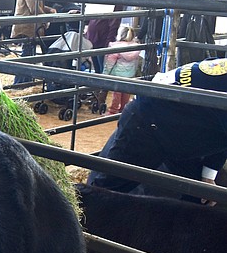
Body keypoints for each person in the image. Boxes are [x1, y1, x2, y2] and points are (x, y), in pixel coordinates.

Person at [87, 57, 227, 205]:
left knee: (198, 194)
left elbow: (221, 132)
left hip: (177, 125)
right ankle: (83, 215)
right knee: (105, 192)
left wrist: (208, 175)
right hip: (149, 121)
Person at [11, 0, 55, 84]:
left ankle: (25, 81)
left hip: (29, 24)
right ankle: (20, 82)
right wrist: (46, 18)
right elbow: (33, 8)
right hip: (27, 25)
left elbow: (37, 5)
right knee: (27, 55)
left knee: (29, 54)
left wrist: (49, 10)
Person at [102, 25, 140, 114]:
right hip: (130, 74)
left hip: (118, 74)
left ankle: (113, 111)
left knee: (117, 94)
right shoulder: (136, 48)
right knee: (126, 93)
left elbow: (110, 63)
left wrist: (105, 73)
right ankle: (123, 109)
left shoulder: (116, 47)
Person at [84, 4, 123, 75]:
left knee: (102, 69)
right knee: (98, 68)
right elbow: (89, 17)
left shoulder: (115, 4)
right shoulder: (100, 4)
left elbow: (114, 25)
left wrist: (108, 43)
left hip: (102, 41)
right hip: (94, 40)